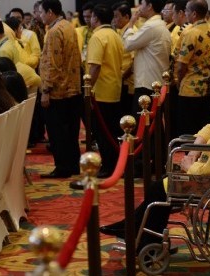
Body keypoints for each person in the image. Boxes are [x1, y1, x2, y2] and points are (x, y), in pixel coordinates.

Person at [99, 88, 210, 251]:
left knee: (158, 190)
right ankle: (134, 230)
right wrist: (193, 152)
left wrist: (189, 166)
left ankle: (144, 239)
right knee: (161, 186)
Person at [39, 0, 82, 178]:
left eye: (41, 12)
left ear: (50, 12)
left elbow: (53, 64)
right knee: (71, 132)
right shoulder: (69, 26)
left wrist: (46, 90)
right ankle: (72, 165)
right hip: (72, 87)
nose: (39, 16)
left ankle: (63, 167)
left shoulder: (54, 31)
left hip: (58, 91)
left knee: (58, 132)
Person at [87, 4, 124, 178]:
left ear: (96, 18)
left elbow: (94, 66)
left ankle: (108, 166)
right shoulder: (115, 35)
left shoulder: (98, 36)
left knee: (102, 132)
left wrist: (87, 89)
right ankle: (114, 163)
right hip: (114, 88)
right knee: (112, 131)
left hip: (101, 91)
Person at [175, 0, 210, 136]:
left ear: (194, 14)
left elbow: (182, 65)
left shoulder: (191, 33)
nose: (186, 14)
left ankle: (191, 157)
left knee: (190, 130)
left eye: (187, 11)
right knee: (207, 129)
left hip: (192, 89)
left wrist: (178, 81)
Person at [122, 0, 171, 117]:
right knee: (154, 125)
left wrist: (131, 24)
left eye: (142, 4)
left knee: (144, 125)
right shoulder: (160, 24)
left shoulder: (151, 26)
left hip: (147, 83)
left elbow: (128, 45)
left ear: (150, 6)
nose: (139, 7)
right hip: (155, 80)